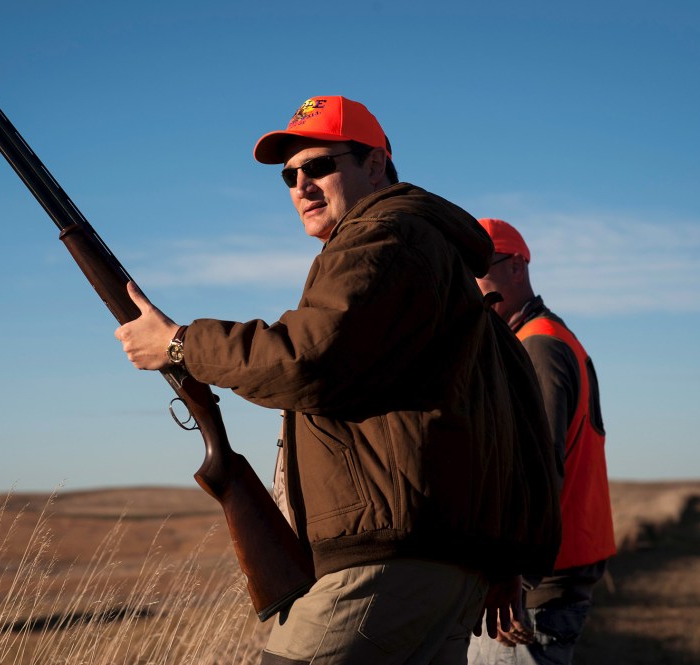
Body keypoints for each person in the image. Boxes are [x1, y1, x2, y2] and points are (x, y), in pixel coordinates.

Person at [115, 96, 558, 664]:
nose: (301, 185)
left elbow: (305, 358)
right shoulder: (438, 261)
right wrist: (499, 559)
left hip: (386, 567)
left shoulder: (382, 236)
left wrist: (179, 345)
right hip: (445, 571)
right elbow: (513, 420)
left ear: (374, 164)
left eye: (320, 165)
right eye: (289, 176)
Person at [467, 218, 616, 665]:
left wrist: (509, 572)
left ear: (516, 267)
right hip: (548, 578)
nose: (469, 285)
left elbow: (535, 473)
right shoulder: (543, 338)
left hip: (531, 591)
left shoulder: (538, 348)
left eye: (478, 268)